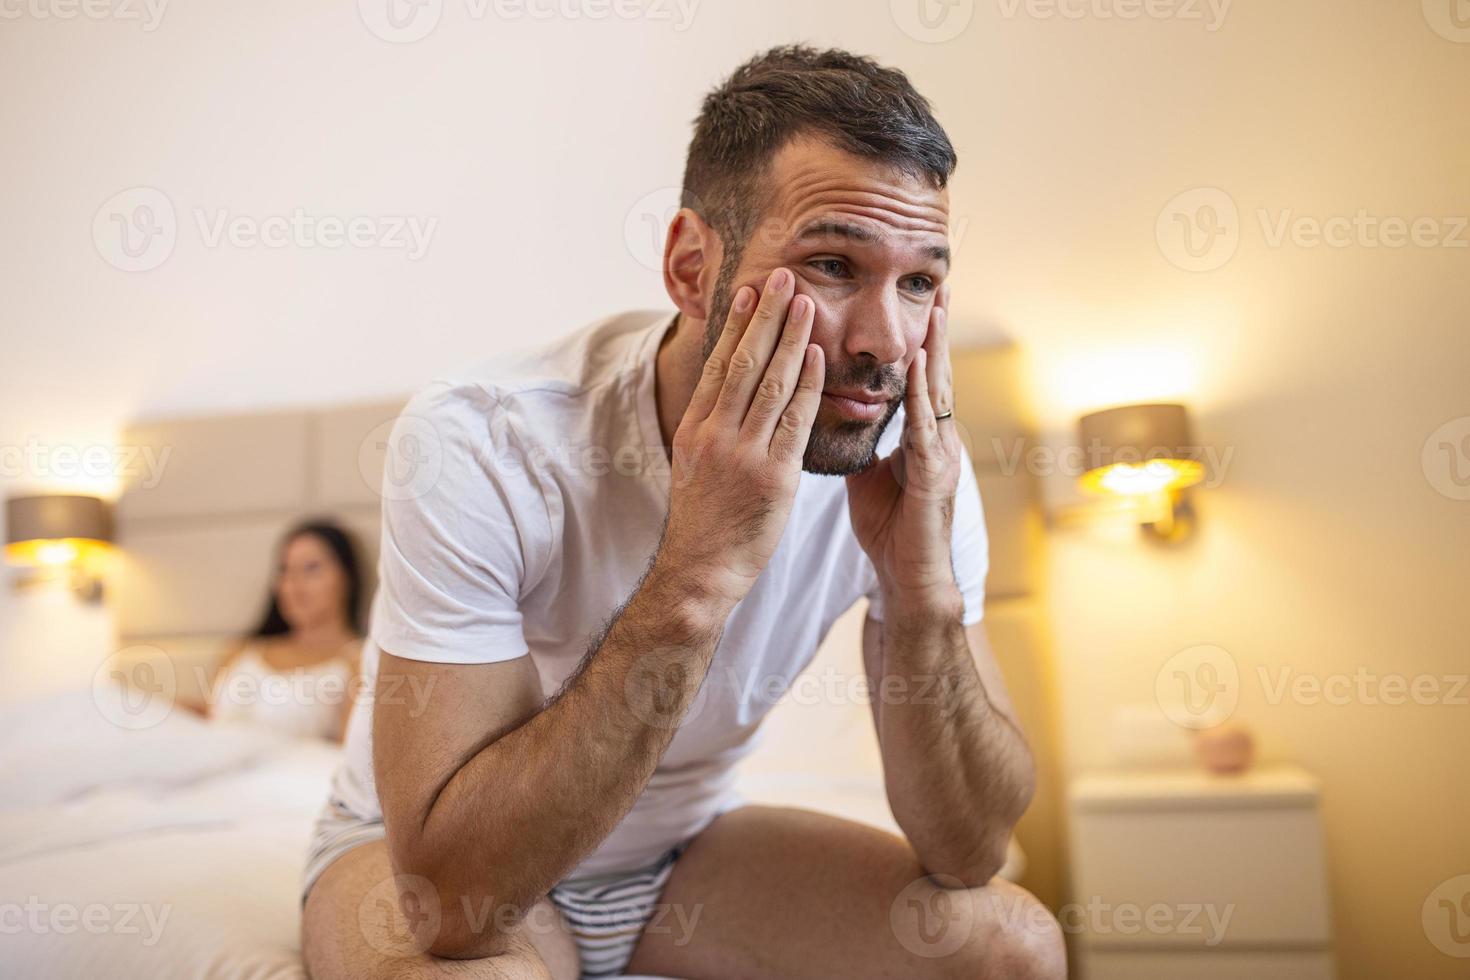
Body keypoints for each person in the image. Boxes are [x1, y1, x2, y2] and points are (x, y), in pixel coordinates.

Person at [301, 45, 1065, 980]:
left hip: (683, 862)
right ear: (692, 268)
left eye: (919, 282)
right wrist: (698, 570)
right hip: (432, 855)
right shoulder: (483, 441)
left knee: (1012, 947)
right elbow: (455, 903)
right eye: (831, 264)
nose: (885, 343)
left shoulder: (910, 454)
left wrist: (922, 595)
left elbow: (970, 851)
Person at [206, 520, 364, 743]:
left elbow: (351, 756)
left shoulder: (359, 662)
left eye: (312, 568)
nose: (294, 584)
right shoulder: (240, 651)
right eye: (285, 570)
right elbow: (208, 718)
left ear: (348, 577)